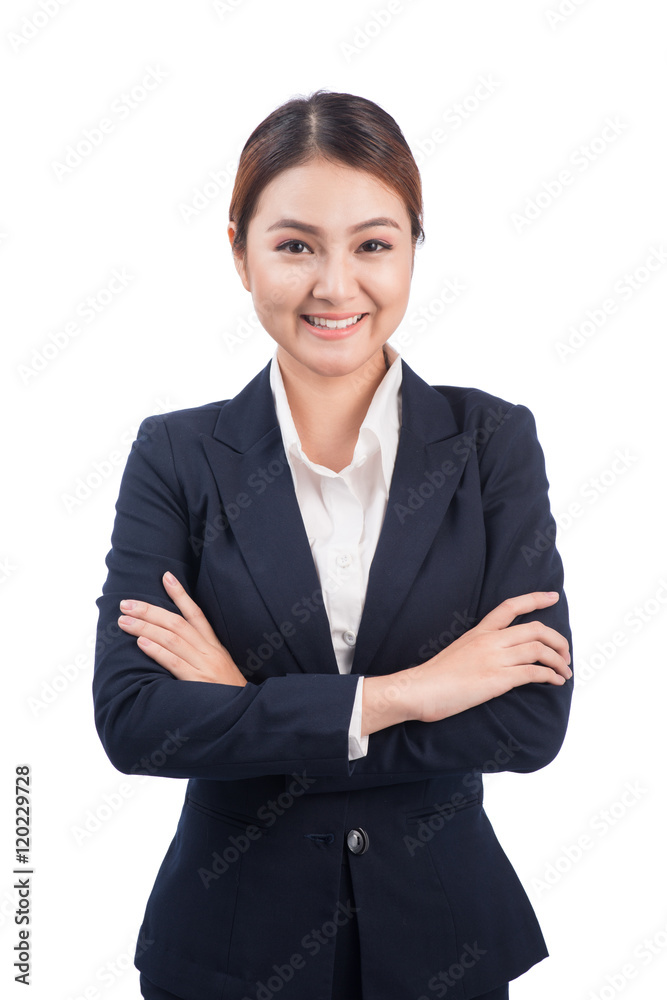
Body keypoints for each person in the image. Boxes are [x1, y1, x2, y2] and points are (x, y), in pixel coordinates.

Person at [92, 90, 573, 1000]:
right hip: (227, 952)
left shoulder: (491, 443)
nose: (336, 286)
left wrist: (251, 710)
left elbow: (528, 721)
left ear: (412, 250)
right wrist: (412, 694)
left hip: (445, 947)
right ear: (238, 250)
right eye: (295, 244)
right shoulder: (177, 455)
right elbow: (135, 722)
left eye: (373, 244)